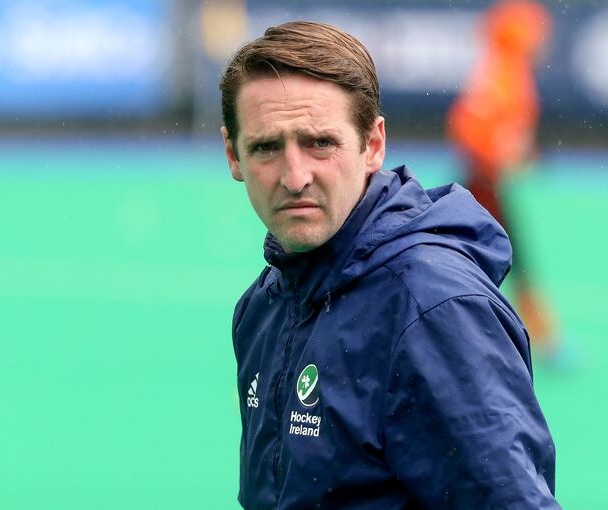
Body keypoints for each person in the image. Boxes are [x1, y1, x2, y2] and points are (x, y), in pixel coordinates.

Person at [220, 21, 559, 508]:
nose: (295, 177)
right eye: (267, 147)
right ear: (233, 154)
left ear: (373, 145)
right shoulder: (264, 305)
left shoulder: (433, 310)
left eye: (320, 143)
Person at [446, 0, 562, 361]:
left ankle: (541, 336)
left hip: (483, 180)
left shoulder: (508, 69)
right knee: (502, 255)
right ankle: (542, 338)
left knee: (483, 254)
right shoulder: (502, 73)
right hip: (483, 182)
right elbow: (470, 127)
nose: (542, 39)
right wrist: (501, 155)